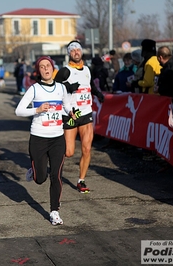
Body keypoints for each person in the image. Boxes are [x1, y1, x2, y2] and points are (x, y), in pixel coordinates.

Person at [15, 56, 68, 225]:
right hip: (38, 137)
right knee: (41, 178)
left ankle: (54, 211)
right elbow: (19, 111)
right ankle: (34, 171)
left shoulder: (61, 88)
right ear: (39, 71)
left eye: (48, 66)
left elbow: (67, 107)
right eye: (42, 67)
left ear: (53, 69)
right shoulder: (35, 89)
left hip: (57, 138)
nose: (46, 69)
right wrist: (36, 109)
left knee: (57, 175)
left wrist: (72, 113)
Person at [54, 40, 104, 194]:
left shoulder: (87, 69)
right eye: (73, 50)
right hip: (70, 114)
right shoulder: (65, 70)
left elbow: (89, 85)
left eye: (78, 49)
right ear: (69, 53)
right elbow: (53, 87)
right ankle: (52, 160)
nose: (76, 52)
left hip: (86, 112)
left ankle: (81, 180)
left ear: (82, 52)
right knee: (69, 152)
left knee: (87, 148)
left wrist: (98, 93)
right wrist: (67, 87)